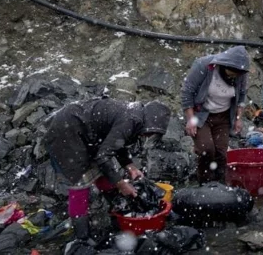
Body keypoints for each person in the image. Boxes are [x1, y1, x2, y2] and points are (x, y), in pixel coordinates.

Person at [44, 98, 171, 242]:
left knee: (102, 171)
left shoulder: (137, 117)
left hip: (86, 132)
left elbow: (117, 142)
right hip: (67, 131)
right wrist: (121, 184)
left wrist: (130, 166)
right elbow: (104, 156)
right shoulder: (131, 120)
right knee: (80, 182)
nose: (147, 136)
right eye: (150, 132)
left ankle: (117, 212)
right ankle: (82, 237)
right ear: (148, 121)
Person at [181, 46, 250, 184]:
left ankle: (219, 184)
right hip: (202, 115)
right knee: (206, 150)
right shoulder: (204, 66)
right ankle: (205, 183)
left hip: (223, 116)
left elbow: (242, 96)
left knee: (221, 153)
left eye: (237, 75)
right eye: (232, 73)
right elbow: (187, 91)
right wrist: (190, 119)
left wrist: (238, 118)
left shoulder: (240, 74)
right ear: (224, 65)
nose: (234, 77)